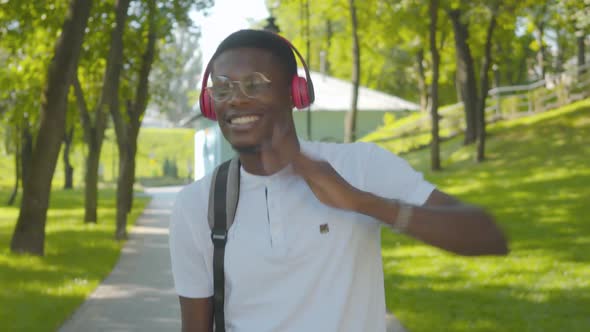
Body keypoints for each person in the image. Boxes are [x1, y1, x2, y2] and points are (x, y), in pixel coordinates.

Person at [169, 29, 508, 332]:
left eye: (254, 84)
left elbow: (488, 235)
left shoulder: (362, 165)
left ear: (295, 93)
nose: (236, 99)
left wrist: (363, 202)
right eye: (223, 87)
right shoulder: (196, 205)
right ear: (209, 103)